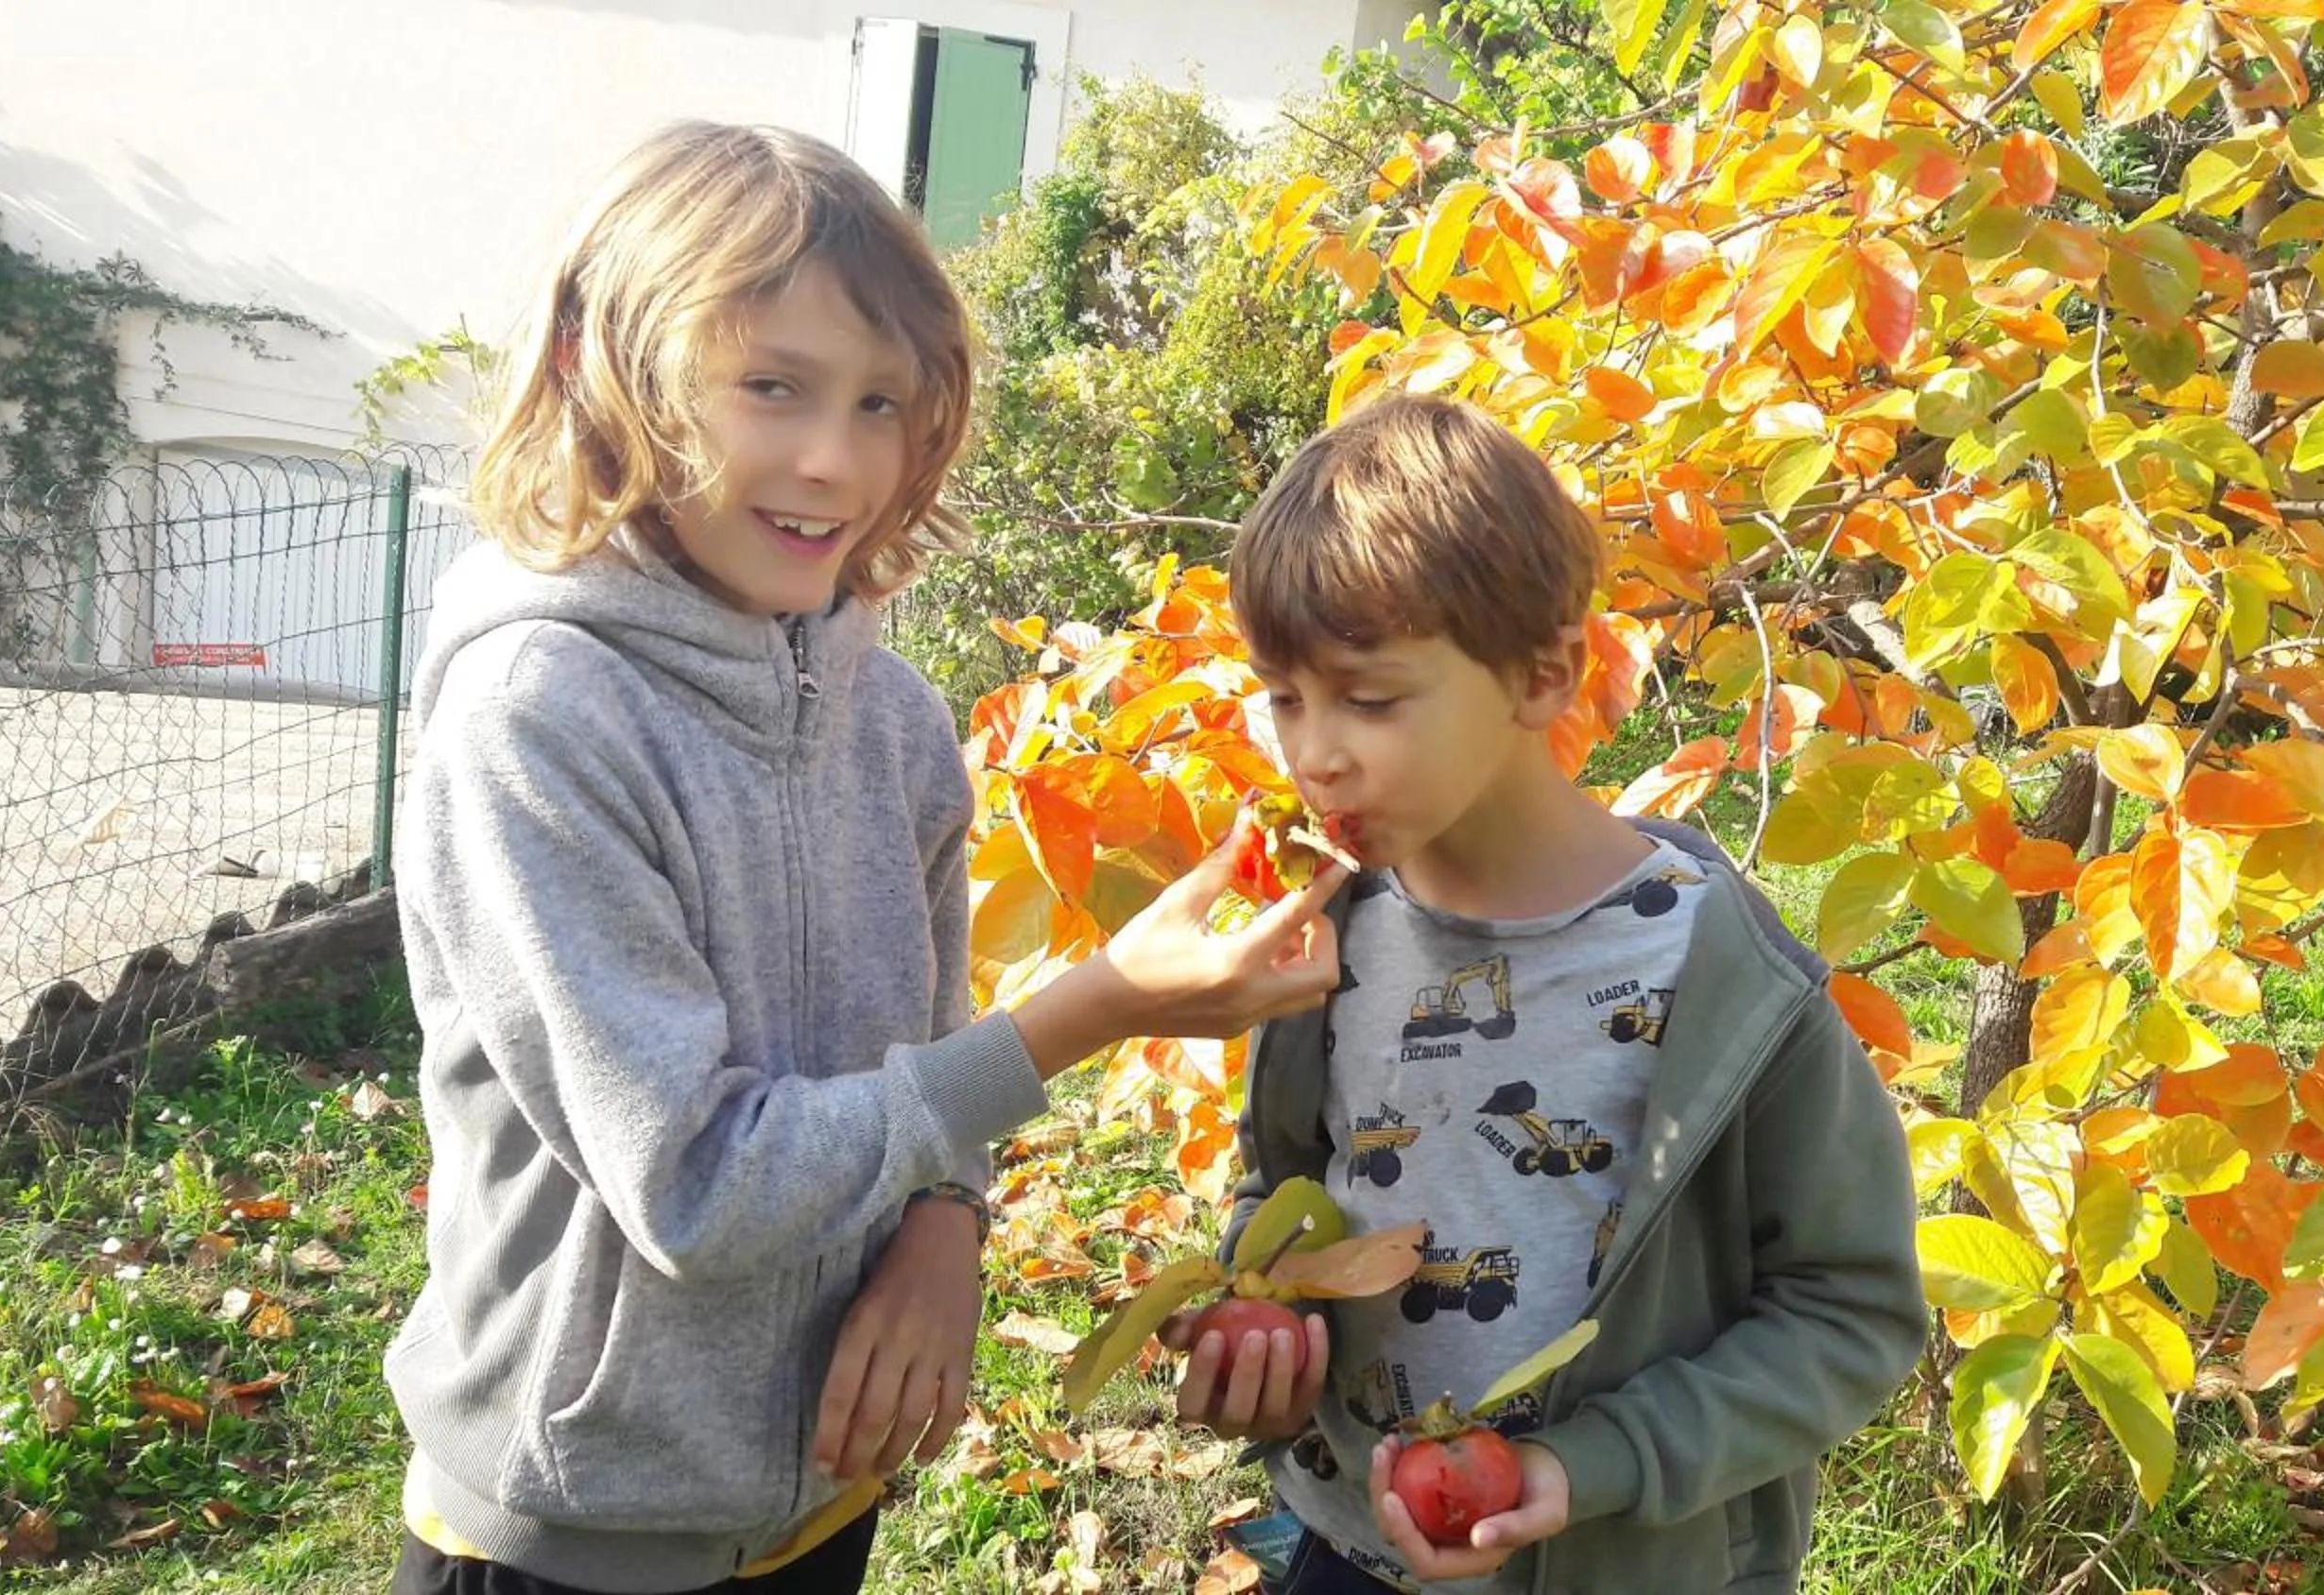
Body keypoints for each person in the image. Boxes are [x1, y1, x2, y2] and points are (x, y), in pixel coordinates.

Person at [384, 121, 1343, 1595]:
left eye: (884, 402)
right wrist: (1100, 1006)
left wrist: (946, 1228)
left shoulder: (889, 716)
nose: (835, 461)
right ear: (600, 365)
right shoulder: (541, 718)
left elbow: (931, 1048)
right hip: (588, 1520)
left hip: (832, 1482)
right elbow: (697, 1186)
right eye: (772, 386)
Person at [1174, 394, 1924, 1592]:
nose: (1314, 753)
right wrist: (1262, 1340)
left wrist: (1600, 1460)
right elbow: (1287, 1196)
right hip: (1351, 1546)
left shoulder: (1718, 969)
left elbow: (1853, 1310)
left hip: (1627, 1561)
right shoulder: (1330, 937)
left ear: (1544, 672)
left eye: (1369, 698)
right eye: (1284, 696)